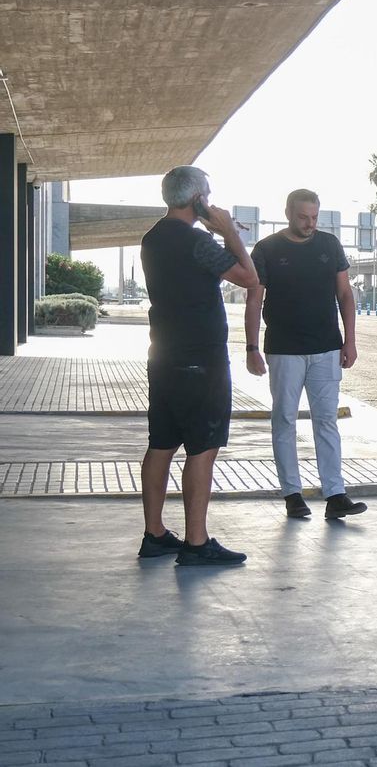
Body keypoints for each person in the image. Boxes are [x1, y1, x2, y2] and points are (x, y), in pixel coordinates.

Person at [137, 165, 259, 567]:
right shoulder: (197, 243)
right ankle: (195, 541)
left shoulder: (151, 238)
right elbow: (249, 278)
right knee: (202, 448)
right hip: (201, 359)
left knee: (161, 444)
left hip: (164, 356)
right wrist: (230, 234)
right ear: (198, 200)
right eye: (208, 193)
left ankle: (154, 533)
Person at [245, 190, 366, 521]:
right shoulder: (267, 249)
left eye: (314, 217)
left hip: (327, 347)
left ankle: (335, 494)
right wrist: (251, 347)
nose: (309, 223)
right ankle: (292, 494)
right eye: (303, 217)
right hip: (284, 350)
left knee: (326, 420)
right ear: (288, 212)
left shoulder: (329, 245)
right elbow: (254, 300)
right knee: (284, 418)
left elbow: (345, 294)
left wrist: (350, 341)